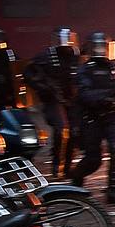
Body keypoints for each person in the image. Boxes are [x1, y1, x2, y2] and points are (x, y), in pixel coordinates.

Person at [70, 32, 115, 204]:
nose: (100, 51)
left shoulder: (111, 68)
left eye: (102, 47)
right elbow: (84, 94)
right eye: (97, 47)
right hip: (92, 118)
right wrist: (104, 98)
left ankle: (113, 192)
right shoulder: (85, 70)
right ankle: (76, 180)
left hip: (111, 117)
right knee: (93, 159)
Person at [24, 28, 81, 179]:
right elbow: (28, 73)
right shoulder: (45, 57)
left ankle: (68, 168)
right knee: (62, 130)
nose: (66, 49)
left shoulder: (77, 56)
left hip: (72, 100)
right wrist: (42, 88)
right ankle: (57, 166)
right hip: (53, 100)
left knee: (75, 132)